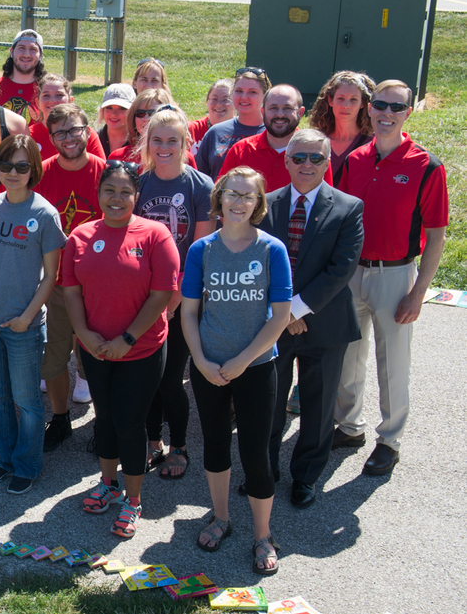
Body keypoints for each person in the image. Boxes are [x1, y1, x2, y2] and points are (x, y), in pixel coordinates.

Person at [334, 80, 449, 476]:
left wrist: (418, 292)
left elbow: (436, 235)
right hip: (352, 271)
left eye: (396, 107)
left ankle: (390, 440)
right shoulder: (355, 159)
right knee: (348, 355)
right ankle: (349, 426)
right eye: (379, 105)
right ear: (369, 109)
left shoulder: (426, 166)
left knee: (393, 362)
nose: (386, 113)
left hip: (396, 274)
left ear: (408, 113)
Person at [181, 166, 292, 575]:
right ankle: (221, 518)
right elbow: (189, 312)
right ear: (220, 198)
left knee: (256, 452)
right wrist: (202, 360)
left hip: (257, 366)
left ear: (259, 204)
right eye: (233, 194)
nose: (239, 202)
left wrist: (243, 360)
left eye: (249, 196)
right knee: (214, 444)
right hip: (209, 367)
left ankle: (263, 535)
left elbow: (280, 316)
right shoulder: (202, 250)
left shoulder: (272, 250)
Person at [62, 160, 178, 539]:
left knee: (130, 422)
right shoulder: (80, 235)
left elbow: (162, 294)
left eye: (125, 191)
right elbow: (72, 290)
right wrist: (84, 333)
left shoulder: (155, 235)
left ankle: (133, 498)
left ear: (136, 195)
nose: (117, 198)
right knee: (106, 417)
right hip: (94, 349)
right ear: (98, 194)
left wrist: (125, 339)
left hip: (140, 349)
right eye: (109, 190)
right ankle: (108, 483)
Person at [255, 129, 364, 507]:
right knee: (268, 401)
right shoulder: (265, 205)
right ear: (286, 161)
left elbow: (341, 269)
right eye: (298, 157)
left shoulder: (349, 207)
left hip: (325, 323)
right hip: (273, 326)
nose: (306, 165)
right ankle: (263, 471)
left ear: (327, 161)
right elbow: (258, 264)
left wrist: (295, 310)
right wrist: (283, 314)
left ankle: (306, 477)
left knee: (318, 408)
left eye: (316, 158)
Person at [0, 134, 65, 494]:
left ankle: (27, 464)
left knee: (26, 401)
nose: (12, 172)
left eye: (22, 166)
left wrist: (27, 317)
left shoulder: (45, 214)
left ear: (33, 170)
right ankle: (4, 458)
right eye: (6, 165)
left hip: (22, 325)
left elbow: (51, 276)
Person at [136, 105, 215, 480]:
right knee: (147, 376)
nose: (164, 147)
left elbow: (198, 253)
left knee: (170, 379)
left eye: (173, 140)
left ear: (185, 143)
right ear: (147, 143)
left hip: (183, 301)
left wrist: (173, 299)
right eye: (157, 140)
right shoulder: (138, 182)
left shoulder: (201, 186)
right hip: (143, 296)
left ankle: (179, 445)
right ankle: (152, 442)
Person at [32, 103, 107, 448]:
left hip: (99, 283)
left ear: (88, 131)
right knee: (54, 358)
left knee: (98, 357)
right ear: (51, 138)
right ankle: (60, 419)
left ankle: (104, 424)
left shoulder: (106, 174)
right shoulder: (42, 174)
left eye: (75, 129)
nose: (69, 138)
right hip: (57, 283)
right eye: (60, 132)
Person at [196, 67, 270, 179]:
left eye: (252, 92)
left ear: (265, 96)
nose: (244, 97)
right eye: (239, 91)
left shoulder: (272, 134)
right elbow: (200, 179)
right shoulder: (215, 132)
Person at [307, 71, 375, 185]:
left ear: (363, 103)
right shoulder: (314, 141)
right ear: (330, 100)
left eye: (353, 99)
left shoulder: (373, 144)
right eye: (340, 98)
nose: (346, 105)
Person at [28, 73, 106, 160]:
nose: (52, 101)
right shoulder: (29, 135)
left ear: (70, 100)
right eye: (46, 95)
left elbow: (101, 170)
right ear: (37, 102)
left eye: (59, 95)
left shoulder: (84, 133)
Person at [107, 88, 174, 165]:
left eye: (153, 113)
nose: (146, 119)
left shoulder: (181, 157)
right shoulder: (118, 157)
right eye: (140, 113)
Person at [0, 30, 44, 120]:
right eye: (21, 48)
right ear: (11, 52)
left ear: (40, 55)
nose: (26, 54)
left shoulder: (48, 90)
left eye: (33, 49)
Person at [188, 78, 234, 160]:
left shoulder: (241, 132)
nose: (219, 104)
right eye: (214, 99)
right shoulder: (191, 130)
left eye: (225, 100)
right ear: (207, 101)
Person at [95, 83, 135, 156]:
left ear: (132, 111)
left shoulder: (139, 142)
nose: (114, 114)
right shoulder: (93, 139)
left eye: (121, 108)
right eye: (109, 108)